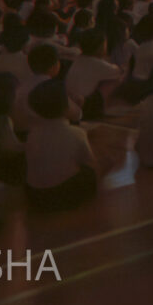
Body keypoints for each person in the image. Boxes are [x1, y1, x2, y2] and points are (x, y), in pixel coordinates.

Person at [24, 79, 98, 212]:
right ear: (66, 107)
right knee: (93, 171)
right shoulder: (76, 133)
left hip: (33, 195)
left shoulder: (32, 133)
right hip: (60, 194)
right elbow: (88, 161)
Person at [65, 29, 123, 119]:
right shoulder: (102, 66)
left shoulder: (78, 59)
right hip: (85, 108)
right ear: (100, 46)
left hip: (70, 105)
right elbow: (116, 72)